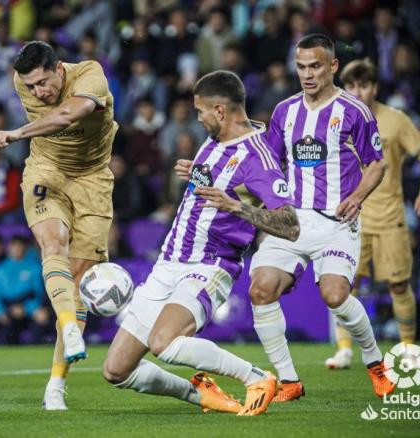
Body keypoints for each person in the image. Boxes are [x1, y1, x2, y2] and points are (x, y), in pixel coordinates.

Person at [103, 70, 299, 416]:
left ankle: (255, 377)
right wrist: (196, 173)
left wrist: (236, 205)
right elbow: (214, 187)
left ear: (220, 111)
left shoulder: (258, 158)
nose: (198, 118)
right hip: (169, 261)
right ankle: (200, 394)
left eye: (201, 112)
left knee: (164, 343)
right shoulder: (214, 140)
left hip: (209, 266)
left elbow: (289, 224)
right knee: (116, 370)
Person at [243, 34, 395, 401]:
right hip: (292, 222)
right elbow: (270, 164)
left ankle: (375, 362)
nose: (307, 74)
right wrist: (262, 203)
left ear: (333, 66)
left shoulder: (354, 111)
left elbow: (376, 164)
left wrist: (358, 197)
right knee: (260, 290)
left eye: (314, 66)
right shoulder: (284, 111)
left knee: (335, 295)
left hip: (335, 222)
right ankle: (290, 381)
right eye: (301, 67)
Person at [0, 41, 118, 410]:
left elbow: (67, 115)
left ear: (59, 68)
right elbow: (43, 105)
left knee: (79, 282)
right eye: (30, 87)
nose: (37, 92)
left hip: (92, 180)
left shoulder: (90, 75)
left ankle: (55, 384)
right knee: (52, 242)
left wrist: (16, 134)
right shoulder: (21, 79)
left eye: (43, 83)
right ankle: (70, 329)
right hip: (47, 170)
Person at [325, 59, 420, 369]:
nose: (356, 91)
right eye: (350, 85)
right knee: (343, 285)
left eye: (363, 85)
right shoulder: (336, 119)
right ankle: (344, 350)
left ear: (374, 87)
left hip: (389, 219)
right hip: (349, 218)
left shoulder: (395, 120)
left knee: (399, 286)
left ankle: (407, 351)